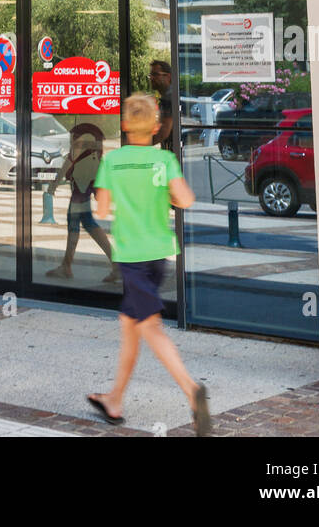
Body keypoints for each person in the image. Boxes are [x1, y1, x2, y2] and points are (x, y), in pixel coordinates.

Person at [87, 93, 211, 435]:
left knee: (151, 328)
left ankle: (192, 390)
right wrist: (162, 194)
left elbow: (100, 211)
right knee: (131, 327)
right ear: (156, 128)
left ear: (124, 126)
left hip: (132, 259)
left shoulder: (112, 162)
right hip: (158, 257)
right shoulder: (165, 160)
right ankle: (114, 400)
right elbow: (185, 199)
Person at [46, 123, 119, 283]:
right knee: (86, 222)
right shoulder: (94, 137)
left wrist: (54, 184)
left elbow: (70, 161)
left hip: (81, 185)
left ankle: (67, 267)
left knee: (76, 222)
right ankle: (114, 264)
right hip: (86, 184)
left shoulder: (81, 137)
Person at [149, 58, 175, 152]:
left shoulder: (170, 98)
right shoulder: (168, 96)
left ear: (168, 76)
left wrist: (141, 145)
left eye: (155, 74)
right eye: (151, 75)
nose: (151, 78)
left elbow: (164, 131)